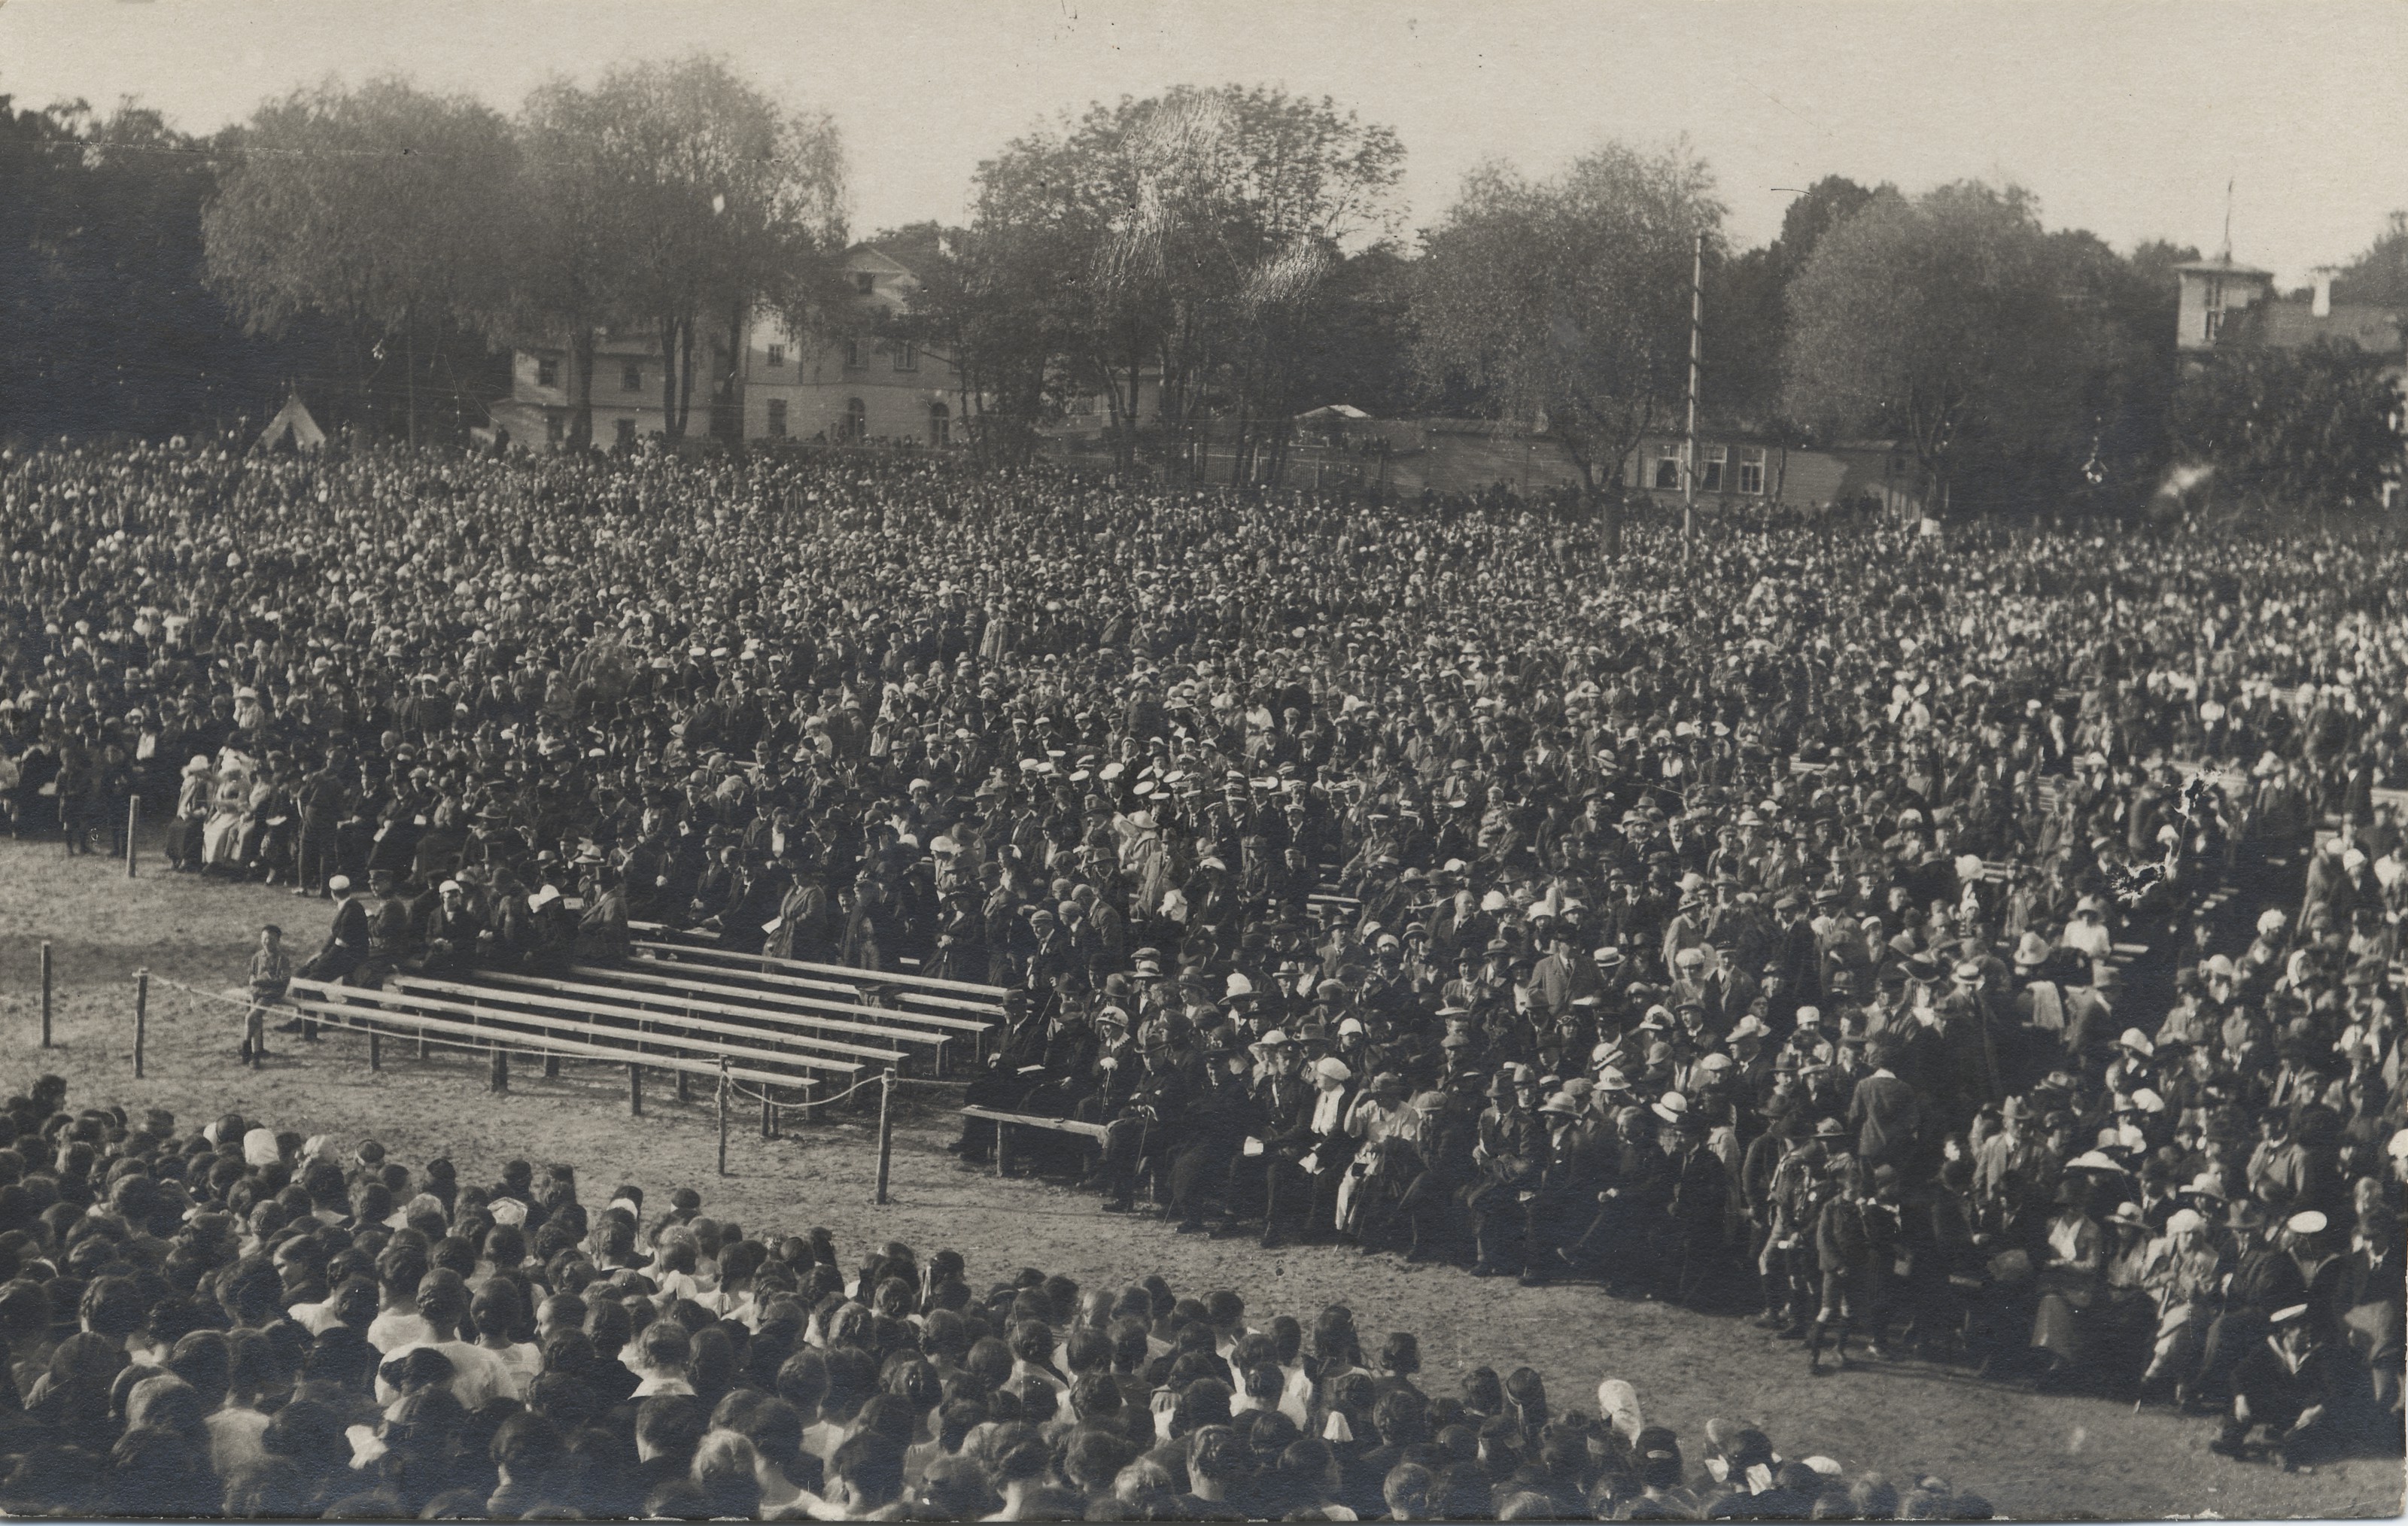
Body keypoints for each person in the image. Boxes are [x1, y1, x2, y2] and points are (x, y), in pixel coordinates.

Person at [240, 923, 291, 1066]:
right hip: (256, 992)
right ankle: (255, 1055)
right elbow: (251, 974)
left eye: (271, 940)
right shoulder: (257, 956)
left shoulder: (282, 959)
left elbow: (283, 981)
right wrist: (254, 980)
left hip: (271, 994)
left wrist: (263, 980)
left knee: (251, 1016)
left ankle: (246, 1048)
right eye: (264, 939)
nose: (267, 942)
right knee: (255, 1019)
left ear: (278, 941)